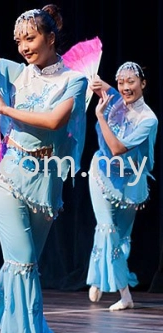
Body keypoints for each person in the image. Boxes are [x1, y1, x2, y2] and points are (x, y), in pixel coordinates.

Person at [0, 4, 88, 333]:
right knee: (22, 260)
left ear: (51, 37)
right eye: (18, 41)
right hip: (5, 176)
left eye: (30, 39)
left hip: (44, 184)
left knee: (22, 261)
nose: (23, 47)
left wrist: (6, 108)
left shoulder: (74, 80)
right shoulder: (16, 71)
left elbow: (54, 121)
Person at [86, 62, 158, 311]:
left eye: (131, 82)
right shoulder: (117, 99)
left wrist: (99, 116)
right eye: (121, 82)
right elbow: (103, 87)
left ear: (143, 84)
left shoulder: (148, 119)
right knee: (106, 228)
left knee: (123, 238)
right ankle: (125, 294)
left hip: (131, 179)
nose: (125, 88)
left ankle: (100, 275)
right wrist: (94, 81)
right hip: (101, 173)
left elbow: (117, 149)